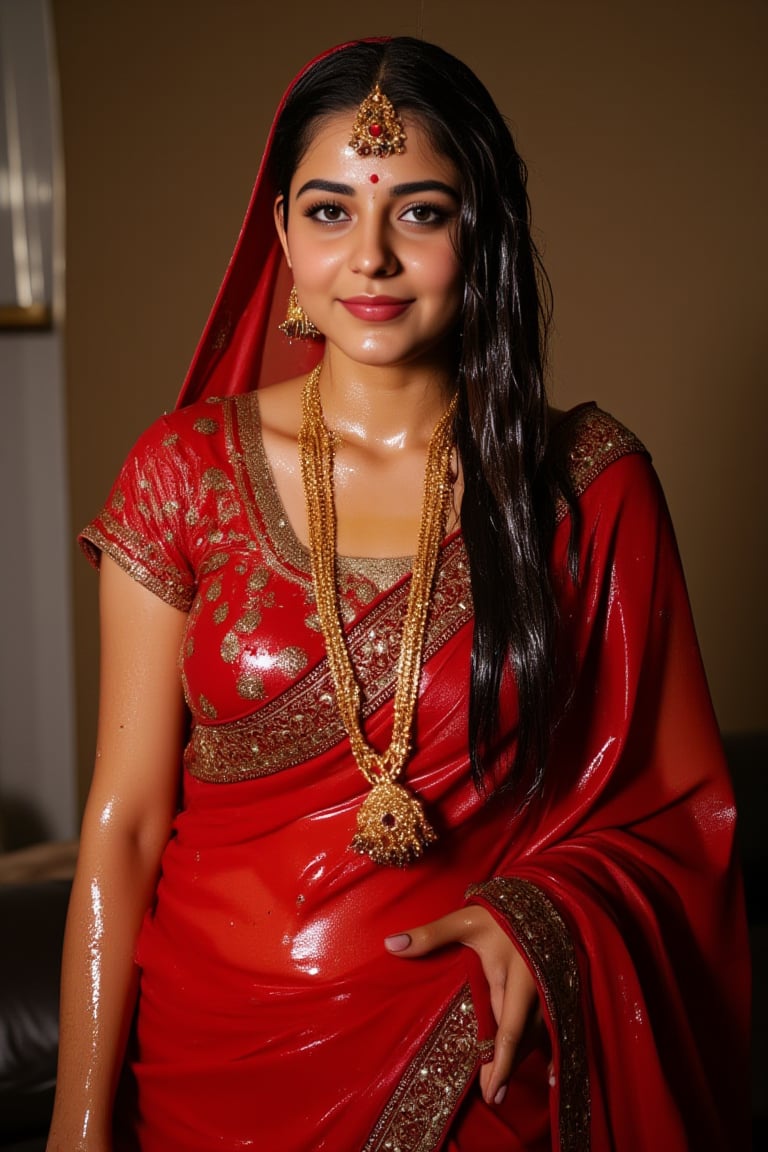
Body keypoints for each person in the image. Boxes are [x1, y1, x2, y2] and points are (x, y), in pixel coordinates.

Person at [47, 36, 750, 1152]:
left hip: (468, 1053)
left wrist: (545, 920)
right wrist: (77, 1130)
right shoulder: (183, 472)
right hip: (213, 1054)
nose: (368, 256)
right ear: (280, 234)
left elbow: (680, 816)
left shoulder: (587, 487)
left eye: (420, 212)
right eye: (329, 212)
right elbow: (126, 823)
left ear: (486, 234)